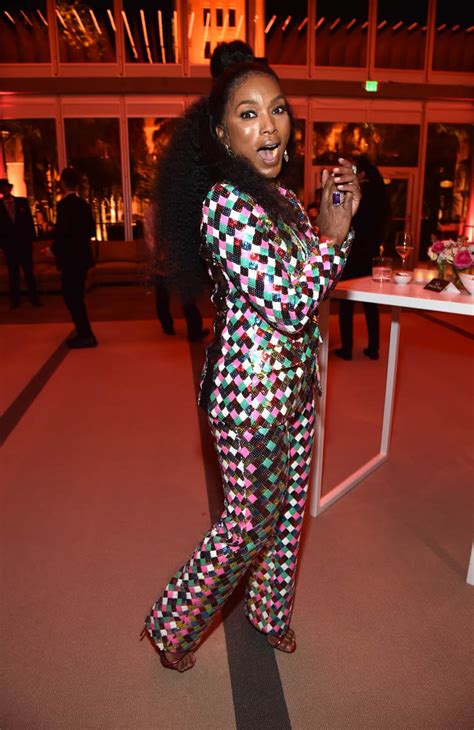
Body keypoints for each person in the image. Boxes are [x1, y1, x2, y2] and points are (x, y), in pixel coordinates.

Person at [141, 43, 360, 673]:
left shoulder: (285, 201)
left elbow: (308, 280)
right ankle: (171, 625)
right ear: (221, 132)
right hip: (247, 398)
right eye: (248, 113)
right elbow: (293, 304)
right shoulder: (224, 205)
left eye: (279, 109)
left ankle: (269, 611)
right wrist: (335, 240)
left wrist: (331, 227)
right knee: (249, 524)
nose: (268, 125)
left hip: (294, 387)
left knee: (289, 516)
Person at [335, 155, 390, 361]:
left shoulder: (355, 192)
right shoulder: (379, 194)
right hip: (370, 253)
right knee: (370, 303)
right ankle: (373, 348)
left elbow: (341, 214)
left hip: (353, 253)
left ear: (363, 173)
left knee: (346, 302)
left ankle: (347, 349)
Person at [143, 201, 209, 342]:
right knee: (168, 295)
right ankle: (175, 327)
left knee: (180, 295)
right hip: (166, 258)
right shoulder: (155, 209)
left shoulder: (172, 205)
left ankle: (188, 329)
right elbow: (150, 234)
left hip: (174, 257)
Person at [50, 167, 97, 349]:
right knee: (76, 297)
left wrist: (53, 250)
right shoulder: (83, 204)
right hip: (82, 258)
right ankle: (84, 331)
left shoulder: (63, 205)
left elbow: (62, 233)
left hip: (70, 260)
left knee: (71, 297)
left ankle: (86, 334)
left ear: (63, 183)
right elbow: (91, 231)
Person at [0, 178, 41, 309]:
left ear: (10, 189)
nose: (5, 190)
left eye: (7, 187)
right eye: (3, 188)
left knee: (29, 272)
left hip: (24, 244)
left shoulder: (22, 202)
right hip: (9, 245)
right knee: (13, 273)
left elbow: (29, 222)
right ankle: (15, 301)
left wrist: (32, 240)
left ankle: (34, 298)